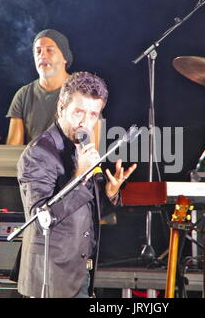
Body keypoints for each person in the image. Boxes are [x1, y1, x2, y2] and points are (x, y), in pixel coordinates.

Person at [16, 71, 137, 298]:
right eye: (78, 112)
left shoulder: (82, 147)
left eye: (93, 114)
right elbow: (42, 218)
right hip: (51, 278)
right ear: (61, 108)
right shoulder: (39, 153)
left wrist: (110, 192)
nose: (85, 122)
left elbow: (88, 206)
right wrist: (80, 175)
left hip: (80, 273)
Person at [6, 29, 73, 145]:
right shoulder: (23, 95)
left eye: (49, 50)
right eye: (38, 51)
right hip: (32, 162)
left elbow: (91, 150)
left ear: (65, 57)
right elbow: (13, 149)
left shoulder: (81, 92)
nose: (42, 55)